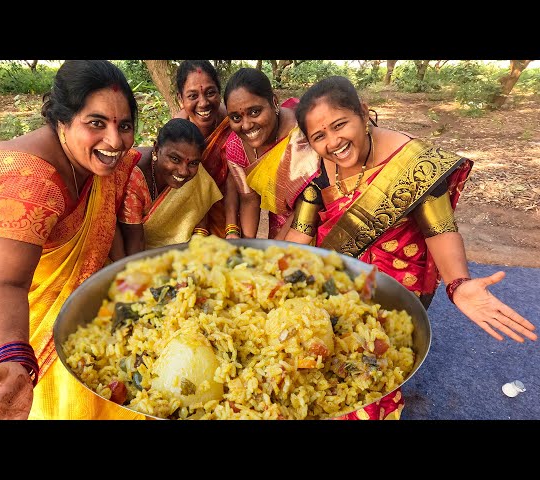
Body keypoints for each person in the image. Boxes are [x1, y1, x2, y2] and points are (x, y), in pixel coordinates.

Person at [285, 75, 537, 419]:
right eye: (319, 137)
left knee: (368, 378)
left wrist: (459, 283)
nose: (334, 142)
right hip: (337, 283)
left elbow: (441, 231)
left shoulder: (415, 165)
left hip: (395, 290)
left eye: (340, 125)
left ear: (363, 112)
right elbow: (301, 234)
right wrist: (278, 276)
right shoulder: (322, 174)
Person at [0, 60, 147, 420]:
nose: (115, 140)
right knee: (68, 376)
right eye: (96, 123)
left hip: (33, 271)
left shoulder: (97, 162)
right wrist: (11, 356)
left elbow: (140, 157)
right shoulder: (28, 181)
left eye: (124, 126)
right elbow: (6, 283)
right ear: (62, 120)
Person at [223, 67, 320, 239]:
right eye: (236, 117)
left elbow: (310, 200)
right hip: (278, 224)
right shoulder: (236, 145)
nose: (246, 125)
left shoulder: (303, 135)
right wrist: (247, 247)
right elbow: (249, 199)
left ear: (274, 102)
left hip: (314, 221)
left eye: (254, 112)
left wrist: (275, 248)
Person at [117, 117, 222, 251]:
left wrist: (196, 247)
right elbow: (134, 243)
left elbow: (200, 209)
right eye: (175, 159)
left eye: (193, 163)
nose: (183, 171)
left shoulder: (195, 169)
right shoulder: (133, 175)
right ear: (156, 148)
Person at [173, 60, 233, 238]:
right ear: (180, 99)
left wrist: (232, 229)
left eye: (210, 92)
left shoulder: (232, 125)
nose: (204, 103)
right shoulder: (175, 135)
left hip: (230, 215)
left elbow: (236, 182)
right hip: (187, 221)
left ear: (219, 92)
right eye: (192, 96)